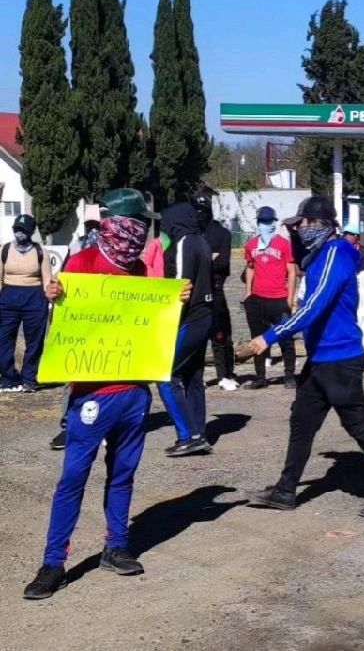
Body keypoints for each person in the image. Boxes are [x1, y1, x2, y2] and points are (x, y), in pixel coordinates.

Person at [23, 188, 190, 600]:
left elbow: (153, 326)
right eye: (135, 224)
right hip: (92, 397)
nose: (140, 234)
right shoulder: (83, 263)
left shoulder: (140, 274)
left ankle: (116, 546)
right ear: (116, 223)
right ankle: (53, 563)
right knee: (73, 478)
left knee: (123, 474)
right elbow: (63, 312)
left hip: (134, 393)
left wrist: (176, 302)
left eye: (143, 227)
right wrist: (53, 295)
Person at [244, 196, 364, 516]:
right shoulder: (320, 258)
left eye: (301, 224)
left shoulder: (335, 254)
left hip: (341, 357)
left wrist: (271, 336)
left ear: (318, 225)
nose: (298, 230)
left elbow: (314, 305)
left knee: (359, 426)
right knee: (302, 422)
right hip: (321, 357)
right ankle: (286, 490)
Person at [157, 203, 216, 457]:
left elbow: (180, 287)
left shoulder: (182, 244)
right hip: (206, 314)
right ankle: (198, 432)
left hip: (190, 317)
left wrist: (167, 319)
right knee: (193, 376)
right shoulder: (201, 241)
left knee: (165, 375)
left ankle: (187, 435)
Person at [242, 206, 298, 390]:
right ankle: (260, 377)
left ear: (274, 223)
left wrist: (290, 297)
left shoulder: (283, 244)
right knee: (257, 338)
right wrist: (248, 292)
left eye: (268, 221)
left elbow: (291, 272)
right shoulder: (251, 245)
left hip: (279, 298)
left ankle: (289, 375)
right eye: (261, 222)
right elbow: (250, 267)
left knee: (286, 337)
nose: (265, 225)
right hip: (257, 299)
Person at [0, 213, 53, 392]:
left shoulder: (40, 252)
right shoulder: (5, 250)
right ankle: (8, 377)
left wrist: (51, 297)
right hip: (8, 298)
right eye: (17, 229)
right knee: (4, 340)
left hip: (34, 299)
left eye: (24, 230)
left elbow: (47, 279)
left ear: (31, 232)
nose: (20, 234)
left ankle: (29, 378)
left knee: (34, 341)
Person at [192, 193, 237, 391]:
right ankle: (196, 376)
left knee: (220, 335)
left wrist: (203, 261)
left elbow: (223, 263)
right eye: (197, 210)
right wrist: (209, 258)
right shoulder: (191, 234)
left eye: (203, 210)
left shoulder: (221, 233)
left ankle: (224, 374)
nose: (199, 215)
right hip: (194, 290)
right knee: (196, 337)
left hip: (215, 288)